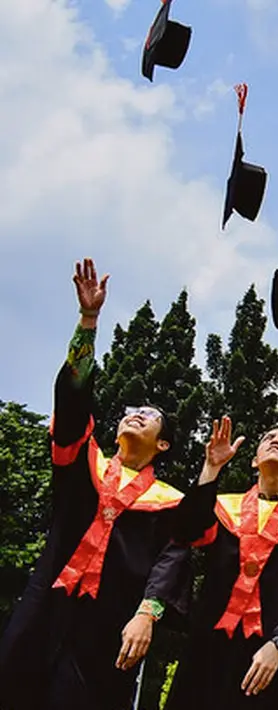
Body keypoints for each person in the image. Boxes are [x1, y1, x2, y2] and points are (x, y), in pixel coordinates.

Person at [0, 258, 196, 710]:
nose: (134, 413)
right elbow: (71, 403)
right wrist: (89, 322)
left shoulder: (170, 502)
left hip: (109, 624)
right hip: (45, 600)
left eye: (148, 416)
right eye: (130, 410)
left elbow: (172, 563)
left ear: (163, 445)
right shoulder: (84, 462)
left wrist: (148, 614)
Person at [148, 421, 278, 709]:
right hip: (207, 650)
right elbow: (186, 532)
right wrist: (211, 469)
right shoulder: (224, 508)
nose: (275, 440)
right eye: (268, 437)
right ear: (254, 459)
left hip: (268, 656)